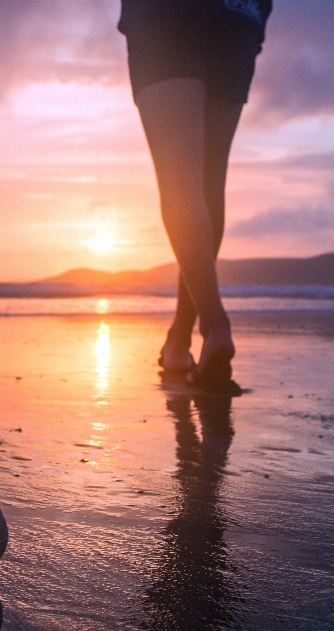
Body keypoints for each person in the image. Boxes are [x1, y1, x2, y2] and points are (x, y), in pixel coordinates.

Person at [119, 0, 272, 393]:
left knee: (180, 182)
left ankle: (215, 326)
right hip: (239, 14)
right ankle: (179, 340)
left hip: (167, 14)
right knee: (209, 184)